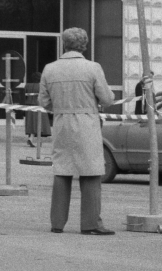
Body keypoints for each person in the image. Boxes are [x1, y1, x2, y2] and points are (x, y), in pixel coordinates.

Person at [39, 27, 116, 235]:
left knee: (62, 171)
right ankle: (90, 224)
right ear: (84, 44)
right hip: (86, 123)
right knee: (91, 172)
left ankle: (57, 223)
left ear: (64, 44)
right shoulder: (92, 68)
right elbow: (107, 99)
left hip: (61, 122)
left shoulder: (50, 68)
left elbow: (43, 101)